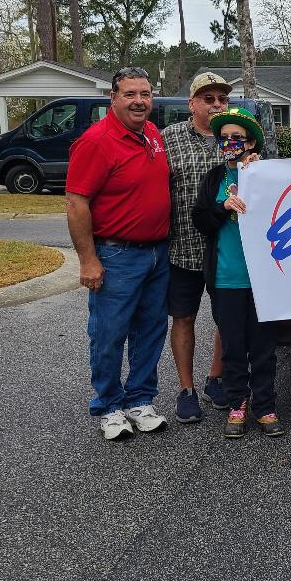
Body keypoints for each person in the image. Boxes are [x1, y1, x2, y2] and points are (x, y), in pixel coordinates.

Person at [66, 66, 171, 441]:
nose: (139, 101)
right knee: (109, 333)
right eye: (130, 94)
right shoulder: (96, 141)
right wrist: (88, 259)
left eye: (145, 94)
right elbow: (76, 202)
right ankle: (109, 406)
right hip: (116, 254)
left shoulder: (151, 133)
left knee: (151, 331)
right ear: (112, 98)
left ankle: (140, 400)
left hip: (157, 253)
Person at [191, 108, 283, 439]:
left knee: (263, 347)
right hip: (226, 277)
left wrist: (258, 174)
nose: (230, 142)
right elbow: (200, 220)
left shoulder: (265, 174)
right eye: (224, 137)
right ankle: (236, 404)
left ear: (251, 142)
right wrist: (222, 207)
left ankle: (265, 406)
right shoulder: (214, 178)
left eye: (237, 137)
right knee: (232, 346)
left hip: (263, 279)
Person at [161, 72, 230, 423]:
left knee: (226, 317)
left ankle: (215, 378)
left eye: (222, 99)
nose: (217, 104)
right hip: (183, 247)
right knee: (184, 317)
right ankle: (186, 389)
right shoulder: (168, 138)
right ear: (192, 104)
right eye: (208, 99)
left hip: (225, 249)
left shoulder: (235, 136)